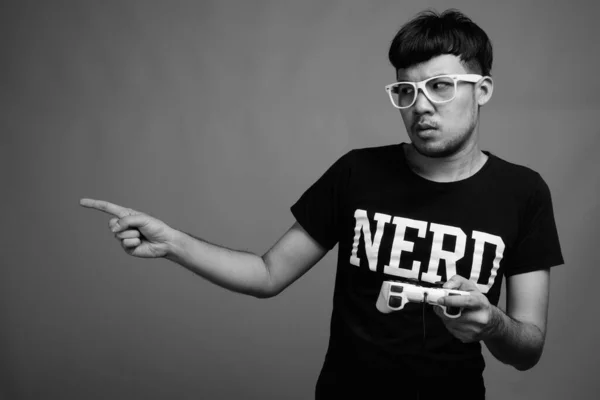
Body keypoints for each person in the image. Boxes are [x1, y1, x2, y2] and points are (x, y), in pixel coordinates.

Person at [80, 9, 564, 400]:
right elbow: (268, 275)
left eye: (440, 87)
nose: (421, 106)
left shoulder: (524, 192)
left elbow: (528, 348)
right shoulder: (358, 172)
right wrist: (172, 243)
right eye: (406, 90)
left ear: (482, 90)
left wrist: (493, 323)